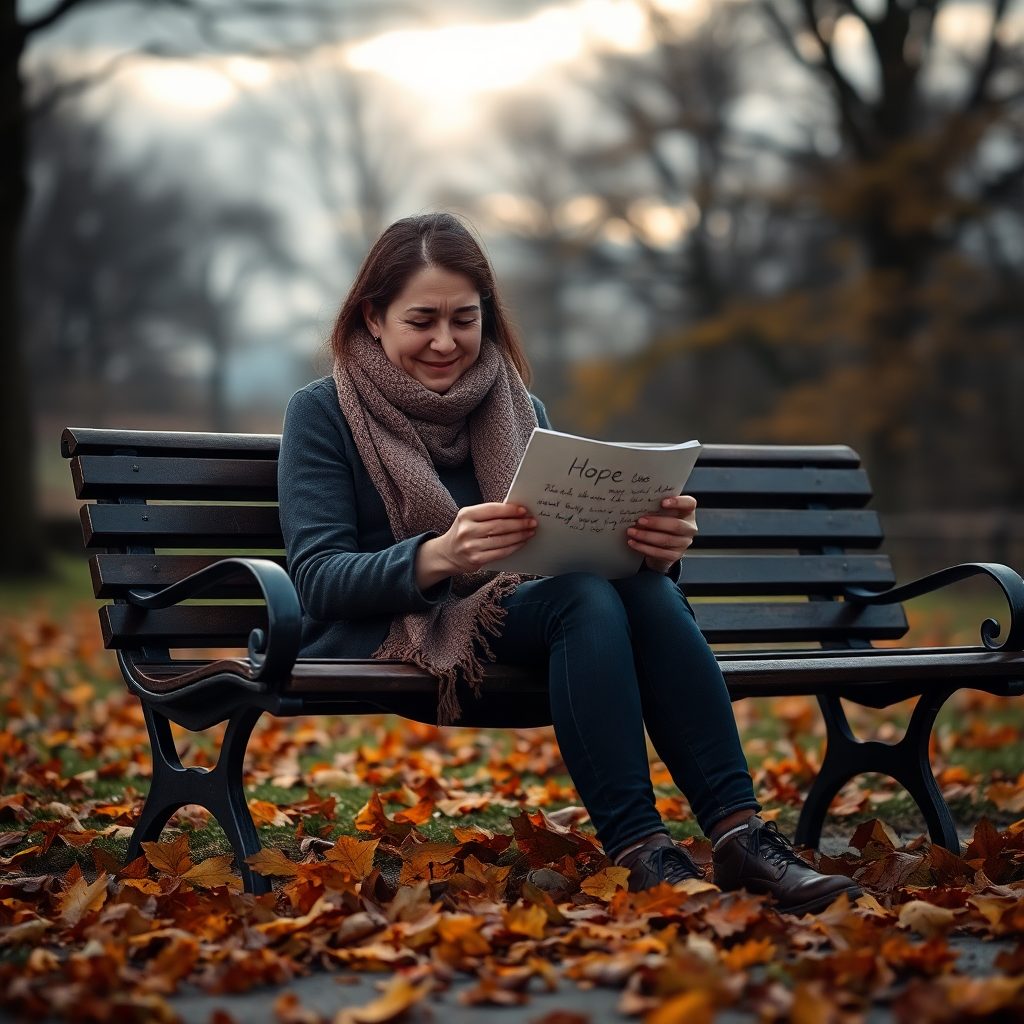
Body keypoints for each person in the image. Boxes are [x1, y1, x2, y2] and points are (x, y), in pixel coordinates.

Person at [278, 212, 860, 914]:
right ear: (373, 317)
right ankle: (642, 849)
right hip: (397, 632)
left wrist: (653, 552)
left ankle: (741, 837)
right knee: (581, 597)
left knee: (641, 594)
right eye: (421, 320)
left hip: (532, 614)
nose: (444, 341)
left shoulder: (522, 407)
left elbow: (569, 543)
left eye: (464, 319)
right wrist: (437, 556)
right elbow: (316, 577)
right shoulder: (322, 412)